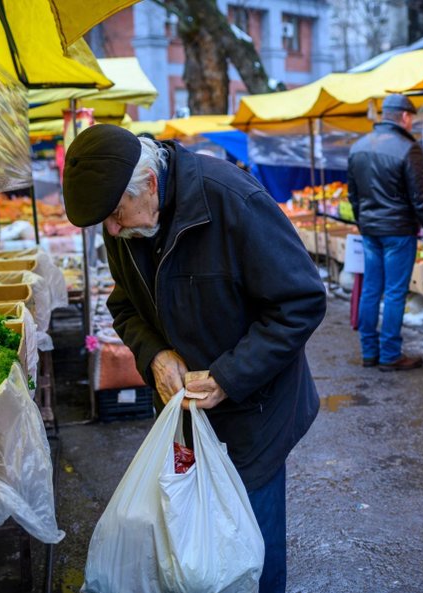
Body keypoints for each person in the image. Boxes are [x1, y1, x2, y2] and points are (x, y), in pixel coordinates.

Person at [61, 124, 326, 593]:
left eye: (117, 214)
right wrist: (156, 353)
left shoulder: (232, 202)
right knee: (193, 548)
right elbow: (124, 306)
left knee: (250, 553)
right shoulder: (125, 217)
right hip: (187, 416)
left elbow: (301, 302)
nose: (114, 230)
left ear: (150, 184)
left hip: (254, 414)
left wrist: (228, 376)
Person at [347, 93, 423, 371]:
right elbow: (421, 198)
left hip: (370, 230)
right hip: (399, 232)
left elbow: (353, 195)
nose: (412, 123)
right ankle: (390, 354)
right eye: (411, 118)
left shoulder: (358, 147)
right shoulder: (407, 148)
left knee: (370, 290)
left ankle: (369, 351)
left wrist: (363, 222)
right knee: (393, 293)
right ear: (404, 116)